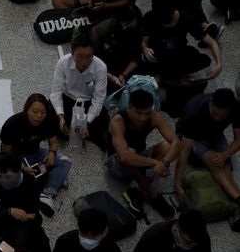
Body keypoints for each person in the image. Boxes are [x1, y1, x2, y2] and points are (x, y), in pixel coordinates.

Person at [106, 89, 181, 218]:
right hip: (117, 164)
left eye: (146, 113)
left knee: (167, 146)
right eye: (138, 113)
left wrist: (165, 162)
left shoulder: (153, 116)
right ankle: (152, 193)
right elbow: (124, 156)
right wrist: (158, 163)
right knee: (130, 154)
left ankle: (139, 190)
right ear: (129, 107)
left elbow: (176, 142)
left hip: (141, 157)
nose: (142, 118)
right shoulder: (118, 121)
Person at [0, 93, 71, 217]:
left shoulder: (48, 121)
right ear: (26, 110)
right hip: (17, 155)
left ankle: (48, 193)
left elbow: (53, 142)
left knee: (65, 162)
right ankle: (54, 177)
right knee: (31, 177)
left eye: (42, 112)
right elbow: (5, 153)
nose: (39, 116)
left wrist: (52, 153)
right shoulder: (13, 124)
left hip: (36, 151)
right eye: (35, 111)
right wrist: (21, 166)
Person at [176, 89, 240, 206]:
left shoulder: (236, 107)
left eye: (222, 116)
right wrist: (177, 183)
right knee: (214, 162)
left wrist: (225, 154)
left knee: (226, 170)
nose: (217, 118)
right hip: (193, 137)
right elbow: (184, 151)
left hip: (215, 135)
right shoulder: (194, 111)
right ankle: (237, 199)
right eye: (214, 113)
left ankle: (233, 203)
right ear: (210, 102)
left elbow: (238, 140)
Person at [141, 0, 222, 83]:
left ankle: (169, 75)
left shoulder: (185, 18)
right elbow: (145, 40)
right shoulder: (150, 16)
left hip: (178, 53)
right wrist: (145, 48)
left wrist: (219, 64)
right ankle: (171, 75)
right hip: (158, 54)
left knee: (204, 60)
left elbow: (212, 42)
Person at [49, 34, 108, 142]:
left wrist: (87, 122)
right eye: (80, 56)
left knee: (104, 119)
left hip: (87, 102)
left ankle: (78, 133)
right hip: (68, 98)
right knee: (49, 111)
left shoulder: (101, 67)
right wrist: (60, 115)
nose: (84, 61)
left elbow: (98, 99)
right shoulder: (63, 63)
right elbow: (56, 93)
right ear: (72, 54)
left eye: (89, 57)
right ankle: (71, 132)